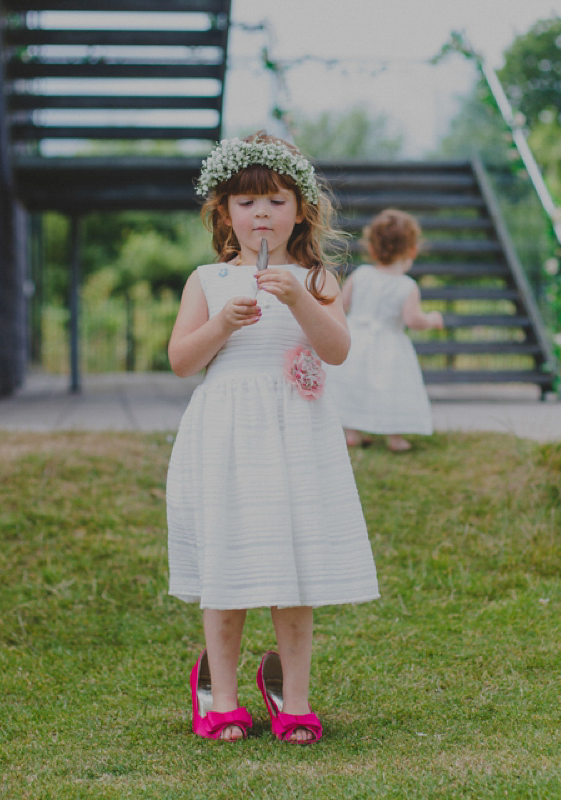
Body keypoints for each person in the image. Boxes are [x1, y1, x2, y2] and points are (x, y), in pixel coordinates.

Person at [166, 133, 379, 744]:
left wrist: (300, 300)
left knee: (297, 568)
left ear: (301, 210)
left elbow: (336, 350)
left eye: (277, 201)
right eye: (247, 203)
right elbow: (183, 361)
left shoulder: (317, 278)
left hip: (296, 437)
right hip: (228, 438)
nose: (262, 215)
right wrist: (222, 324)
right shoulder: (206, 281)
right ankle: (221, 697)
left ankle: (294, 695)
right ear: (224, 213)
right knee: (227, 566)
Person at [327, 209, 444, 452]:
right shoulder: (406, 286)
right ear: (412, 250)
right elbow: (413, 320)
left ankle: (352, 431)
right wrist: (432, 320)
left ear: (371, 249)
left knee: (353, 383)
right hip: (389, 344)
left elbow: (341, 303)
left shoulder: (361, 275)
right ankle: (394, 436)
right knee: (391, 388)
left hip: (356, 339)